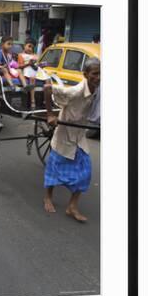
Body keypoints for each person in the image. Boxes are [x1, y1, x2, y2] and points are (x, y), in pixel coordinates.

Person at [42, 57, 100, 222]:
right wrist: (50, 114)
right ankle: (47, 196)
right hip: (65, 133)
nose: (98, 77)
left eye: (100, 73)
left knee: (86, 171)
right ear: (86, 74)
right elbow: (47, 88)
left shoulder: (99, 89)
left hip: (79, 135)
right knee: (54, 168)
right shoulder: (75, 91)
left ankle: (72, 206)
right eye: (95, 74)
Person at [17, 38, 39, 106]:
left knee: (48, 79)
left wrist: (35, 65)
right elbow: (19, 66)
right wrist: (28, 64)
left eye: (32, 47)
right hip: (26, 71)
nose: (30, 49)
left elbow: (37, 66)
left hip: (35, 71)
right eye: (29, 46)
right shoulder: (21, 55)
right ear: (24, 46)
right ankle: (33, 101)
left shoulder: (36, 56)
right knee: (32, 78)